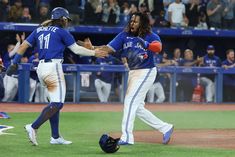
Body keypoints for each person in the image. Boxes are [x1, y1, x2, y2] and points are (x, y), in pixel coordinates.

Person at [6, 7, 107, 146]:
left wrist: (15, 62)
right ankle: (33, 126)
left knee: (54, 103)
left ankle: (55, 136)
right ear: (62, 19)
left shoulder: (39, 29)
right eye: (66, 19)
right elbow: (76, 50)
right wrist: (94, 53)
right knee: (57, 103)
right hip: (53, 68)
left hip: (41, 68)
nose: (67, 22)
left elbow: (23, 46)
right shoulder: (61, 31)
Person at [97, 12, 174, 145]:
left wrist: (147, 45)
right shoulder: (124, 35)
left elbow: (158, 47)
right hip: (133, 73)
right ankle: (165, 127)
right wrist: (93, 49)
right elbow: (109, 48)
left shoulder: (150, 36)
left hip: (146, 71)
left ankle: (127, 137)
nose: (132, 23)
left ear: (142, 23)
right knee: (137, 107)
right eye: (131, 21)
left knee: (129, 101)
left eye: (136, 21)